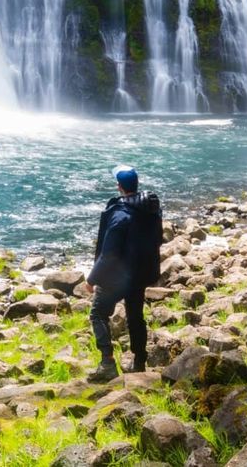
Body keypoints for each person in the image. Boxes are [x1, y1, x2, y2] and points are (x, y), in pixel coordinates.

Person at [86, 164, 163, 382]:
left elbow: (109, 253)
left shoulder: (120, 214)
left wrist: (92, 279)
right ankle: (139, 362)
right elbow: (157, 239)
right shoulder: (151, 209)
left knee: (98, 314)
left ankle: (107, 364)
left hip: (119, 276)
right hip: (141, 273)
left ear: (119, 186)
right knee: (135, 317)